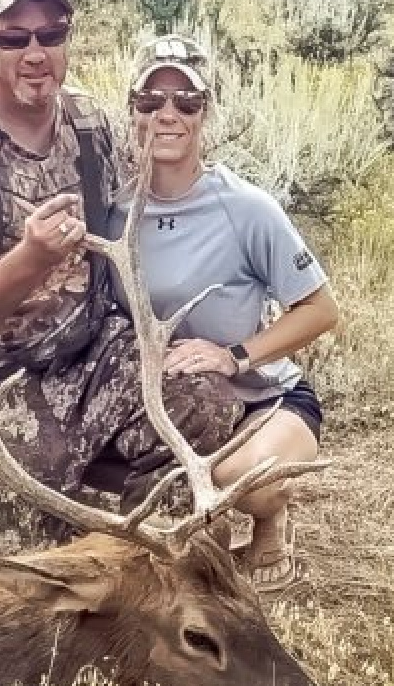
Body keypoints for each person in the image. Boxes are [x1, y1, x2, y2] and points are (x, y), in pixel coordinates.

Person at [0, 0, 244, 555]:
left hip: (96, 350)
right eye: (14, 38)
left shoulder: (89, 123)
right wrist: (30, 259)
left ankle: (136, 553)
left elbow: (144, 213)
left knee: (207, 401)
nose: (36, 54)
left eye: (51, 35)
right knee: (24, 554)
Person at [110, 35, 340, 592]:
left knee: (243, 483)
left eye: (186, 101)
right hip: (173, 407)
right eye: (151, 100)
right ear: (133, 109)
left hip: (264, 401)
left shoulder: (245, 208)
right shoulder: (114, 210)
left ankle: (270, 517)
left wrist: (234, 356)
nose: (168, 114)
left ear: (204, 112)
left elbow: (320, 309)